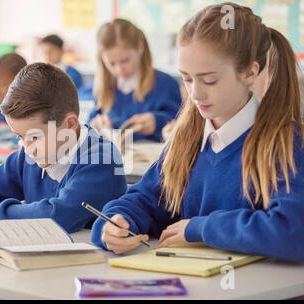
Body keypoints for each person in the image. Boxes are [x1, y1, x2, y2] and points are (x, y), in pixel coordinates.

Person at [91, 3, 304, 261]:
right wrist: (115, 224)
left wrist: (200, 228)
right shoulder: (186, 138)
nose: (195, 93)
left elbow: (292, 232)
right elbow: (145, 199)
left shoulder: (284, 142)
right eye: (187, 79)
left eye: (209, 80)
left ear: (250, 72)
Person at [0, 63, 127, 233]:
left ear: (70, 124)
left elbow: (55, 217)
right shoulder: (27, 157)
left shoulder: (101, 158)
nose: (28, 149)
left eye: (35, 137)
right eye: (20, 137)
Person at [88, 19, 182, 142]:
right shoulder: (103, 86)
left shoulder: (166, 84)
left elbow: (183, 125)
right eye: (111, 63)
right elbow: (90, 123)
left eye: (125, 60)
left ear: (140, 47)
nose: (119, 69)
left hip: (152, 157)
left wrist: (157, 122)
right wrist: (95, 126)